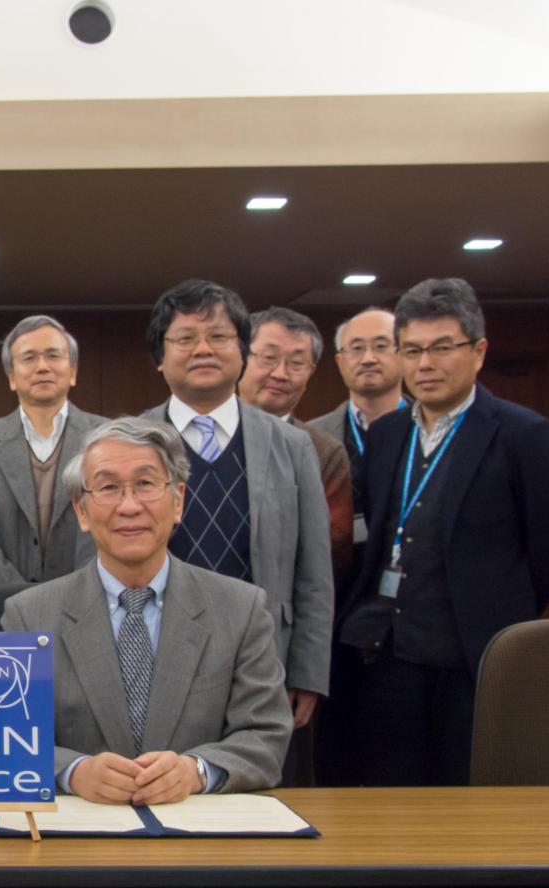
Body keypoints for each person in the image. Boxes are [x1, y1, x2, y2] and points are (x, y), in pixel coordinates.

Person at [336, 277, 549, 785]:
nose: (425, 365)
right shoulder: (388, 434)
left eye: (443, 348)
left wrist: (495, 607)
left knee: (462, 794)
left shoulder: (523, 435)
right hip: (383, 653)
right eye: (413, 350)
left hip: (471, 657)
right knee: (385, 796)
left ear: (479, 350)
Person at [2, 417, 291, 803]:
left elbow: (265, 736)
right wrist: (74, 772)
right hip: (77, 840)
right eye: (108, 487)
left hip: (200, 836)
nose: (130, 506)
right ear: (82, 512)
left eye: (145, 484)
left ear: (178, 501)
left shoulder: (240, 609)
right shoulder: (28, 615)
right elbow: (3, 738)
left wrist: (196, 771)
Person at [140, 279, 332, 739]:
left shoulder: (292, 446)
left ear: (242, 352)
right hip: (151, 649)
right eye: (186, 338)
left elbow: (314, 569)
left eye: (220, 337)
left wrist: (307, 671)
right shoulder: (127, 441)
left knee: (256, 794)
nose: (203, 349)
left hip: (262, 653)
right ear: (160, 358)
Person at [0, 315, 104, 624]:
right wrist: (21, 601)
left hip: (86, 611)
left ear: (73, 371)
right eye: (29, 358)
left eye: (53, 355)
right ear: (11, 376)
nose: (42, 367)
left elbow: (107, 525)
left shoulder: (104, 438)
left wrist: (74, 599)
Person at [237, 306, 353, 587]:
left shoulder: (324, 452)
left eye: (297, 363)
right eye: (268, 358)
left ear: (311, 372)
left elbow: (333, 548)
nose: (281, 373)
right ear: (240, 358)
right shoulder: (197, 436)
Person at [309, 306, 407, 485]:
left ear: (405, 354)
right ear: (340, 362)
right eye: (357, 348)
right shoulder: (309, 437)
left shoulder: (433, 426)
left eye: (381, 346)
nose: (368, 358)